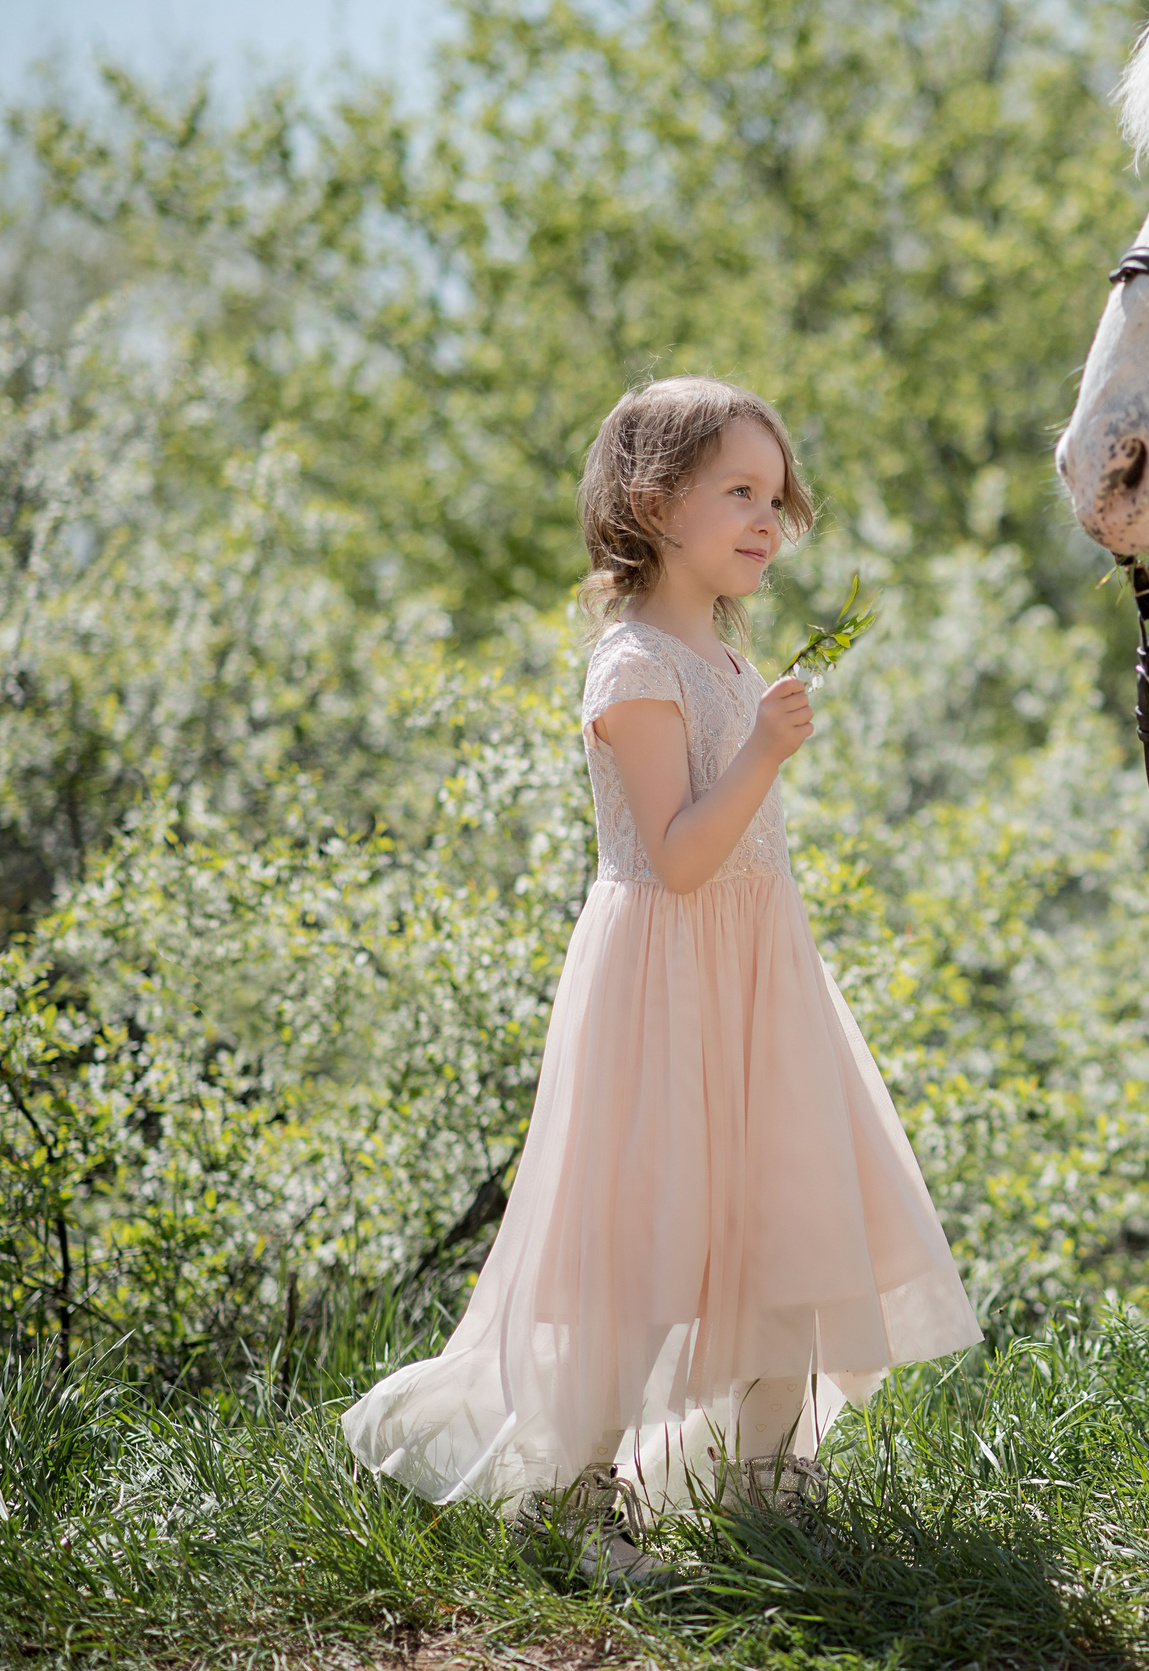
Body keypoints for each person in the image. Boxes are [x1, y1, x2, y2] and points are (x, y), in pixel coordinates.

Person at [343, 376, 980, 1579]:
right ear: (651, 501)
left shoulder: (727, 660)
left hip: (757, 977)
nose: (767, 519)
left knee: (780, 1206)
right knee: (644, 1234)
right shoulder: (634, 665)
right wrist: (765, 750)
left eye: (776, 497)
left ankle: (768, 1483)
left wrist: (758, 733)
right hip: (664, 983)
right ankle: (576, 1499)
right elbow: (681, 858)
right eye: (737, 491)